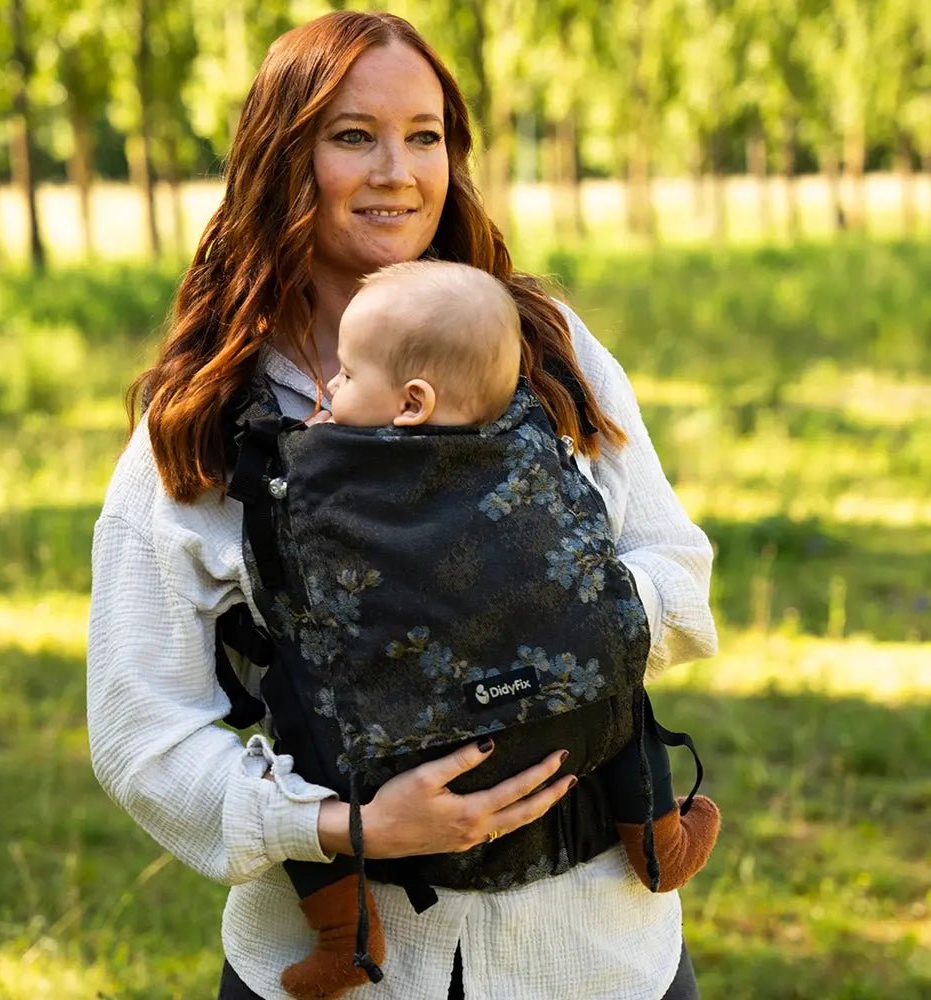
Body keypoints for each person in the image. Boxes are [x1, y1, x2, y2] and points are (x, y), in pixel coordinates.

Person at [86, 11, 718, 1000]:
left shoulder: (543, 352)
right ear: (281, 159)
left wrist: (524, 622)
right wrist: (347, 827)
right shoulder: (208, 420)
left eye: (424, 136)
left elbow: (677, 575)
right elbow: (141, 732)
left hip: (600, 958)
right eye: (354, 136)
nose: (398, 171)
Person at [268, 258, 719, 1000]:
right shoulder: (529, 436)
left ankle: (344, 932)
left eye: (345, 377)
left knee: (295, 712)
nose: (330, 392)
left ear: (412, 403)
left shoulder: (322, 459)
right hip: (562, 727)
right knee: (615, 681)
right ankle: (658, 838)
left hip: (391, 752)